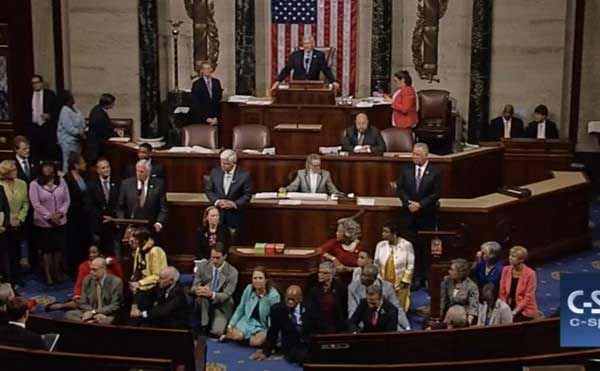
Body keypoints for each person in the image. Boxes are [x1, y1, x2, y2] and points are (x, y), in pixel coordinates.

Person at [396, 142, 441, 289]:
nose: (414, 157)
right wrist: (408, 203)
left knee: (425, 250)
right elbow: (400, 189)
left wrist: (420, 204)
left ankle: (427, 278)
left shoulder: (435, 172)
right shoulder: (406, 170)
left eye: (417, 154)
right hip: (409, 216)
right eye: (413, 154)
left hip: (426, 216)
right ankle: (415, 278)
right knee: (412, 248)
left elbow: (436, 194)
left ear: (426, 156)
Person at [46, 244, 123, 312]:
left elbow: (119, 277)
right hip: (90, 295)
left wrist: (111, 263)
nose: (91, 255)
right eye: (90, 252)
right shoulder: (83, 266)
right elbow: (79, 283)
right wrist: (77, 295)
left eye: (94, 252)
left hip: (106, 295)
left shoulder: (109, 263)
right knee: (76, 308)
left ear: (100, 253)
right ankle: (62, 305)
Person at [251, 285, 316, 365]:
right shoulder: (278, 310)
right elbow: (273, 332)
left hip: (309, 343)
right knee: (305, 357)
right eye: (288, 299)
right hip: (292, 346)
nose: (290, 302)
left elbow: (317, 326)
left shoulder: (310, 307)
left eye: (293, 299)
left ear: (300, 299)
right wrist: (266, 351)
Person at [28, 161, 70, 285]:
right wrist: (49, 216)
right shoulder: (34, 184)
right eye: (45, 167)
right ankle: (48, 275)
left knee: (58, 249)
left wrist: (61, 213)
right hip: (43, 223)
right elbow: (36, 204)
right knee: (46, 250)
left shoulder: (61, 181)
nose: (48, 169)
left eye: (50, 166)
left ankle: (57, 272)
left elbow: (67, 200)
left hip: (60, 221)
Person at [220, 266, 280, 346]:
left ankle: (244, 340)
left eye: (260, 278)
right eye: (255, 278)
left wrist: (269, 332)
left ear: (266, 280)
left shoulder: (273, 295)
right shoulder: (248, 289)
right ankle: (240, 337)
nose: (257, 281)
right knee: (238, 336)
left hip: (262, 325)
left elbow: (274, 318)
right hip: (247, 322)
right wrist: (231, 325)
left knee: (257, 342)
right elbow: (240, 308)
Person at [191, 243, 239, 337]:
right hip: (203, 302)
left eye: (218, 258)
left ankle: (211, 323)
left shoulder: (232, 272)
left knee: (217, 332)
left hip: (221, 305)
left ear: (225, 257)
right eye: (212, 257)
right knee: (203, 298)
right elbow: (193, 287)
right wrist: (199, 289)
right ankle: (204, 326)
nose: (214, 260)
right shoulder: (203, 266)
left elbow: (227, 294)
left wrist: (212, 294)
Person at [347, 263, 410, 331]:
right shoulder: (353, 287)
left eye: (367, 276)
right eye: (362, 274)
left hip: (386, 323)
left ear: (374, 277)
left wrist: (407, 327)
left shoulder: (387, 287)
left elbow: (397, 308)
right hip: (363, 325)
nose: (363, 277)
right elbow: (352, 310)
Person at [206, 149, 252, 234]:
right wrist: (217, 201)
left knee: (232, 242)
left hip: (234, 216)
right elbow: (209, 190)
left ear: (234, 163)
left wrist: (234, 204)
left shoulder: (244, 175)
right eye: (221, 163)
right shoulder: (215, 172)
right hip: (218, 215)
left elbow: (247, 194)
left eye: (226, 164)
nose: (223, 166)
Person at [64, 257, 123, 324]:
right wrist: (92, 313)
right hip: (90, 312)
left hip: (107, 314)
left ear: (104, 269)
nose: (91, 272)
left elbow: (115, 305)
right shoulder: (87, 279)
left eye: (94, 270)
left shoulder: (116, 282)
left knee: (107, 321)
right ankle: (91, 323)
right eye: (90, 269)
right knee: (69, 314)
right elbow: (83, 302)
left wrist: (95, 312)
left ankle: (89, 323)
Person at [116, 159, 168, 233]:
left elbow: (163, 208)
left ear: (148, 172)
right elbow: (120, 207)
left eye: (142, 172)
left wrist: (159, 223)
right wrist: (122, 222)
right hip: (131, 228)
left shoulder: (159, 185)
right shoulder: (126, 184)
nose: (139, 174)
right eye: (137, 171)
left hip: (151, 227)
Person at [272, 35, 339, 91]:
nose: (306, 46)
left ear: (313, 44)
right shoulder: (295, 55)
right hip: (297, 86)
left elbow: (326, 69)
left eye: (309, 43)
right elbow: (286, 70)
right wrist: (278, 81)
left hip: (313, 86)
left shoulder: (319, 55)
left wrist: (333, 81)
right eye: (305, 43)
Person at [373, 222, 415, 312]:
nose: (383, 234)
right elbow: (376, 264)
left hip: (401, 283)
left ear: (394, 234)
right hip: (383, 281)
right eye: (383, 231)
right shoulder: (380, 245)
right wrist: (379, 280)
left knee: (399, 308)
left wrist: (404, 281)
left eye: (386, 232)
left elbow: (410, 265)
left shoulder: (407, 245)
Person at [0, 160, 29, 286]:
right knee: (5, 253)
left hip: (19, 223)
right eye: (13, 170)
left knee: (17, 251)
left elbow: (26, 203)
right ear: (5, 173)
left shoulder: (22, 183)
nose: (16, 172)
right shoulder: (0, 185)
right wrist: (8, 220)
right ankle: (8, 279)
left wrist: (20, 218)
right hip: (4, 224)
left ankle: (17, 277)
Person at [87, 158, 121, 258]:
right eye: (103, 168)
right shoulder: (91, 185)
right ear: (98, 170)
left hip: (114, 224)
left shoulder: (118, 182)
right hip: (99, 225)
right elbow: (89, 206)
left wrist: (114, 218)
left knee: (116, 252)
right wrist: (103, 217)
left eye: (108, 167)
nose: (107, 169)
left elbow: (120, 203)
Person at [128, 227, 168, 313]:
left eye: (136, 239)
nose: (133, 240)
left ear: (144, 240)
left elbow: (157, 276)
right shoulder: (139, 250)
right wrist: (133, 282)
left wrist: (139, 283)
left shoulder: (155, 251)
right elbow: (137, 270)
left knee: (142, 298)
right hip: (141, 285)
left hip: (155, 286)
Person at [64, 153, 91, 273]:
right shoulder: (67, 179)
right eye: (83, 162)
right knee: (73, 243)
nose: (85, 164)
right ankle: (73, 269)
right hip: (73, 216)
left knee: (84, 242)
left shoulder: (86, 175)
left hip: (85, 215)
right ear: (75, 165)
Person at [499, 246, 539, 322]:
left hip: (524, 308)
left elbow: (528, 296)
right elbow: (502, 291)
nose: (510, 258)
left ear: (521, 260)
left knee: (513, 322)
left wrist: (515, 311)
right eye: (510, 255)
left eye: (513, 256)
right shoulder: (505, 269)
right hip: (508, 304)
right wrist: (504, 307)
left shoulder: (531, 274)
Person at [306, 261, 346, 334]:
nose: (320, 275)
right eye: (319, 272)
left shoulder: (340, 287)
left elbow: (343, 308)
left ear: (332, 274)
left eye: (324, 273)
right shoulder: (313, 289)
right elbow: (310, 311)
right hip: (318, 327)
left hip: (336, 326)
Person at [27, 74, 60, 163]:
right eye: (33, 83)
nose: (35, 85)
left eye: (37, 82)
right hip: (34, 127)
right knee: (35, 152)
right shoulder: (28, 95)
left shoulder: (50, 94)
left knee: (48, 152)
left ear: (41, 83)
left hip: (47, 127)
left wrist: (50, 115)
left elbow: (57, 110)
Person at [440, 258, 479, 325]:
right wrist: (440, 317)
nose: (449, 272)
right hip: (449, 314)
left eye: (452, 270)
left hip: (463, 317)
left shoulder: (471, 286)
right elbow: (443, 300)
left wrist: (468, 322)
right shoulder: (447, 281)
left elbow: (473, 306)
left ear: (460, 272)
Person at [57, 90, 86, 173]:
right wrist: (80, 133)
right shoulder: (64, 111)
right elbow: (69, 128)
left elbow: (81, 120)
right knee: (68, 162)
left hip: (77, 141)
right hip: (68, 142)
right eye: (71, 96)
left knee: (77, 162)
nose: (73, 98)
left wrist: (84, 128)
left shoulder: (75, 108)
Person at [86, 93, 116, 164]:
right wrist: (115, 134)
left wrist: (114, 130)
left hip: (95, 142)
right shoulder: (99, 114)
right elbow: (103, 131)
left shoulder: (97, 109)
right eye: (113, 103)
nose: (114, 105)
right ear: (107, 104)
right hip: (96, 145)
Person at [190, 61, 223, 125]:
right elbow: (196, 104)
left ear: (211, 69)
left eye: (208, 68)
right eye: (205, 69)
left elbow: (218, 101)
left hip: (215, 118)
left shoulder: (216, 82)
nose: (207, 70)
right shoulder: (197, 84)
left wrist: (216, 118)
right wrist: (206, 119)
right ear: (202, 70)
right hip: (202, 119)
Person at [0, 187, 9, 282]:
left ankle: (7, 283)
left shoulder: (1, 189)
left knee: (4, 259)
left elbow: (6, 208)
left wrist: (5, 226)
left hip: (2, 230)